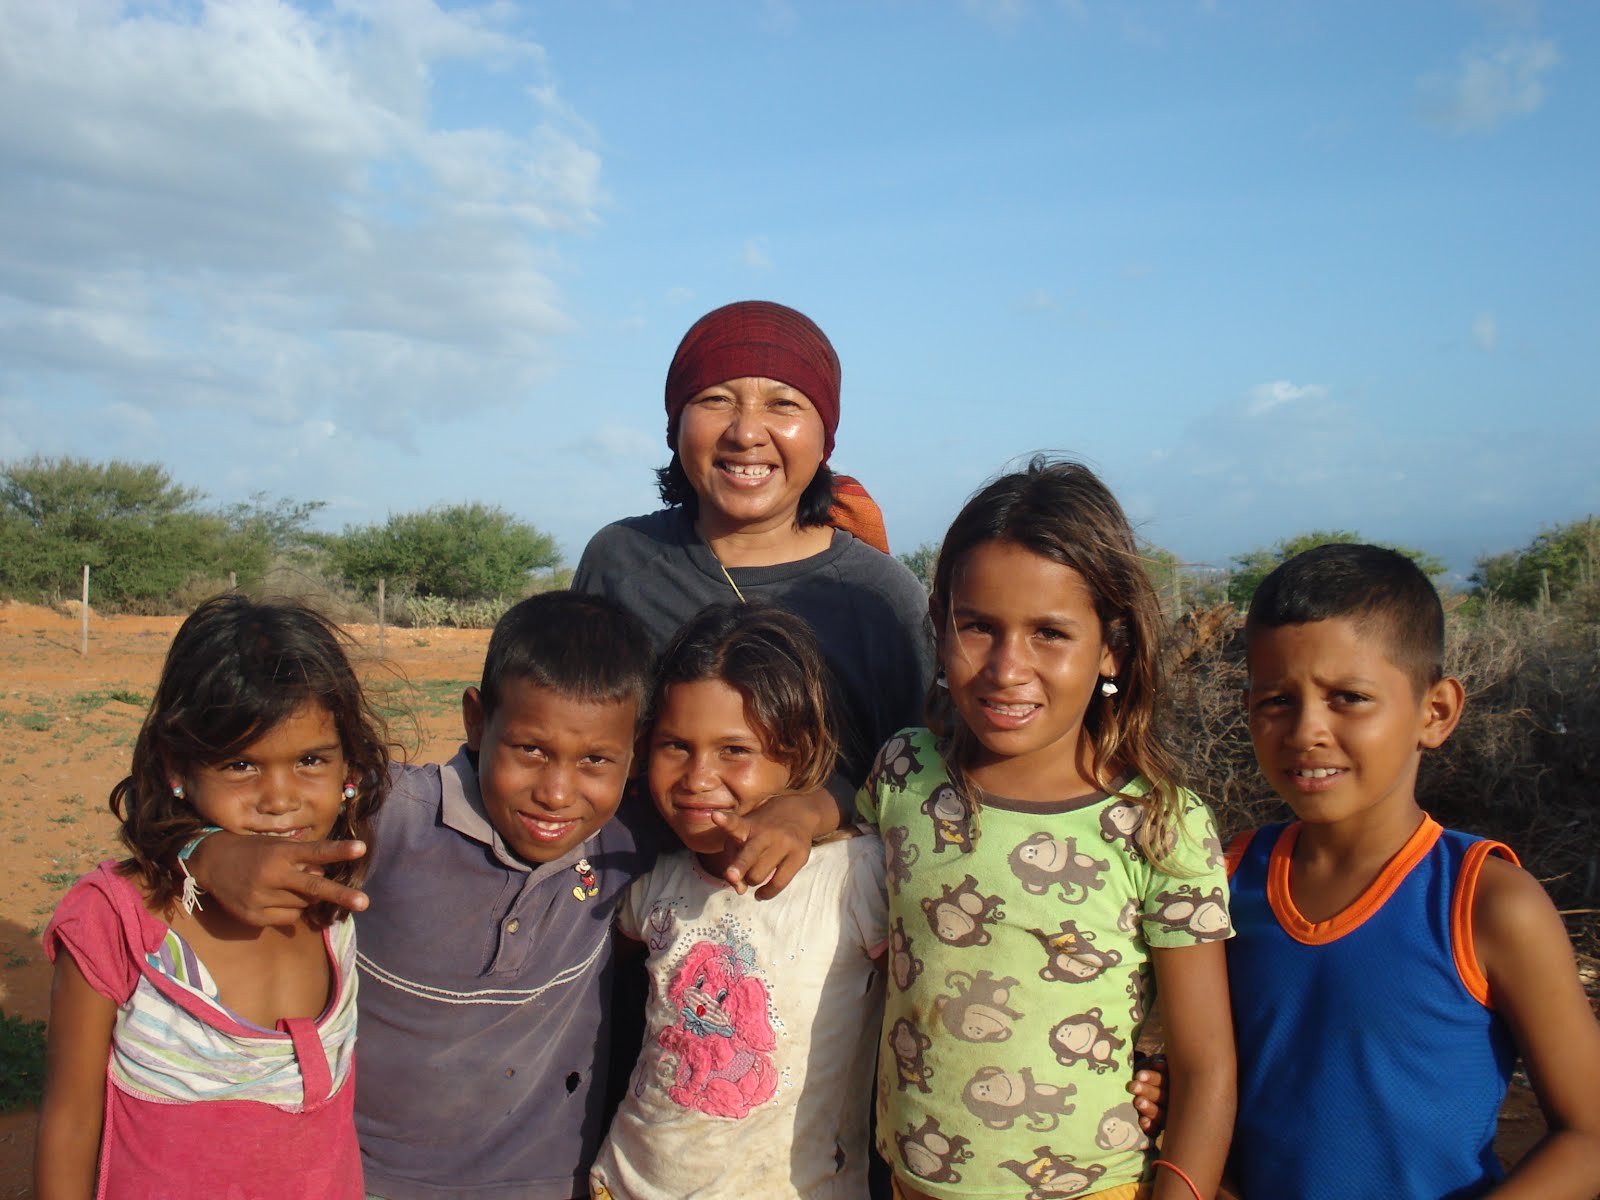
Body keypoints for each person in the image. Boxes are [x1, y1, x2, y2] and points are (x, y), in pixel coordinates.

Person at [182, 590, 819, 1199]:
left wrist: (810, 809)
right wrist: (204, 850)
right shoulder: (391, 817)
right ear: (477, 721)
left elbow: (807, 796)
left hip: (550, 1181)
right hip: (365, 1174)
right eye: (530, 750)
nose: (557, 792)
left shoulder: (627, 835)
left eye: (597, 761)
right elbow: (265, 798)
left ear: (634, 754)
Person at [857, 457, 1236, 1200]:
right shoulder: (904, 773)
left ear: (1111, 650)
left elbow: (1205, 1066)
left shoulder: (1161, 826)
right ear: (939, 627)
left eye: (1050, 634)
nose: (1007, 668)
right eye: (979, 628)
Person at [1224, 544, 1600, 1200]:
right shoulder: (1226, 881)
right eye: (1277, 700)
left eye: (1348, 697)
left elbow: (1589, 1135)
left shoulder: (1485, 902)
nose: (1306, 730)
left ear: (1437, 712)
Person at [34, 595, 391, 1200]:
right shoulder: (119, 920)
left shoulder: (334, 898)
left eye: (311, 760)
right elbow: (69, 1123)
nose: (279, 798)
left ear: (349, 764)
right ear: (179, 767)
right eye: (240, 765)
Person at [573, 299, 935, 893]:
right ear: (675, 424)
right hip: (616, 913)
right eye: (715, 400)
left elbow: (914, 783)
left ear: (825, 436)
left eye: (783, 404)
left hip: (817, 944)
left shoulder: (879, 598)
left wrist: (813, 806)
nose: (745, 432)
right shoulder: (621, 562)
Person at [590, 603, 886, 1199]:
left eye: (734, 751)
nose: (698, 777)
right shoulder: (655, 876)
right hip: (625, 1181)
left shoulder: (855, 877)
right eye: (675, 746)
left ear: (797, 756)